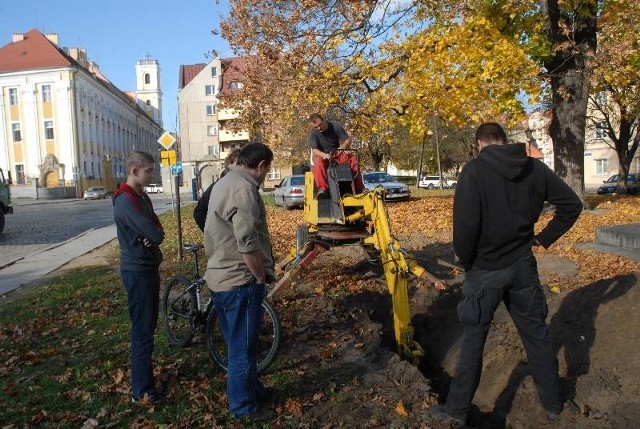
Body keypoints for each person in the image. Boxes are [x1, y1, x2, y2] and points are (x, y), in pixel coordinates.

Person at [429, 123, 582, 426]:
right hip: (523, 266)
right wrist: (543, 237)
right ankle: (553, 405)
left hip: (485, 270)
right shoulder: (534, 168)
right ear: (504, 141)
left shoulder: (474, 171)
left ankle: (456, 411)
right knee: (536, 336)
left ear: (479, 143)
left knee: (473, 340)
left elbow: (465, 229)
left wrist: (468, 261)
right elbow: (571, 204)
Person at [203, 142, 276, 420]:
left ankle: (252, 391)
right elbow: (246, 242)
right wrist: (259, 275)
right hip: (238, 280)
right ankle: (244, 407)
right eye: (267, 171)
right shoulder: (243, 189)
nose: (265, 176)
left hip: (221, 275)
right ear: (260, 166)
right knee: (242, 349)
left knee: (241, 342)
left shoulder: (226, 180)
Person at [112, 151, 165, 404]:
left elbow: (158, 228)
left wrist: (152, 231)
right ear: (134, 171)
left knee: (148, 327)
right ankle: (142, 390)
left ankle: (144, 383)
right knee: (142, 331)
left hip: (147, 268)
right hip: (137, 271)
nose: (151, 175)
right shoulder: (125, 199)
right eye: (148, 171)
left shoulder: (141, 197)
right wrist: (151, 233)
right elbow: (153, 234)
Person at [308, 113, 364, 198]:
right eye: (316, 127)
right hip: (322, 155)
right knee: (318, 163)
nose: (319, 128)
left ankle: (360, 187)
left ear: (324, 120)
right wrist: (324, 155)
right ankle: (323, 189)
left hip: (336, 153)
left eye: (320, 125)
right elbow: (315, 150)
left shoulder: (335, 126)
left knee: (352, 159)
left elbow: (347, 140)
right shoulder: (313, 133)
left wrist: (341, 148)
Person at [193, 148, 240, 232]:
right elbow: (199, 212)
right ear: (231, 163)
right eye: (239, 164)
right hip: (226, 242)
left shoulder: (243, 185)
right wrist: (211, 234)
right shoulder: (219, 186)